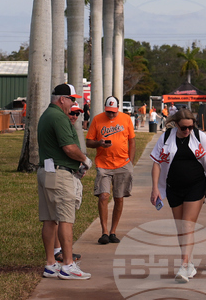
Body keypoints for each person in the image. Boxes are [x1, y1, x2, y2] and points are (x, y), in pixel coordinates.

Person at [149, 107, 206, 283]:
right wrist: (155, 188)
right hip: (173, 188)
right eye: (183, 128)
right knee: (181, 228)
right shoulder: (165, 138)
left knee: (187, 225)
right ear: (176, 125)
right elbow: (156, 164)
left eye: (190, 127)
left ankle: (184, 264)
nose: (187, 131)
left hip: (196, 186)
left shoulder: (200, 137)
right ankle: (189, 264)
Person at [38, 83, 92, 281]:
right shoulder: (59, 116)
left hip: (46, 171)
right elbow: (69, 148)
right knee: (65, 219)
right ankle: (68, 264)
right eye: (72, 99)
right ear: (62, 99)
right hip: (59, 174)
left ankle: (51, 264)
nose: (74, 103)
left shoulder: (47, 115)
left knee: (50, 219)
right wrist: (85, 160)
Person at [86, 96, 136, 245]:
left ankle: (113, 231)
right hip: (103, 165)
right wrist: (98, 143)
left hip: (122, 164)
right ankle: (104, 232)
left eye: (114, 112)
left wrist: (130, 162)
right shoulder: (97, 119)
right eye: (108, 112)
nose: (111, 115)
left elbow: (132, 141)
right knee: (103, 196)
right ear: (104, 108)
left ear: (118, 109)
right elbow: (89, 142)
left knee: (119, 198)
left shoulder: (126, 119)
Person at [52, 104, 85, 262]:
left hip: (70, 174)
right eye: (72, 113)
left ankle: (61, 251)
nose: (74, 116)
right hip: (60, 174)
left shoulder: (69, 128)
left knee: (64, 215)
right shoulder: (62, 127)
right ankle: (60, 252)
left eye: (77, 114)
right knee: (61, 216)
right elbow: (68, 150)